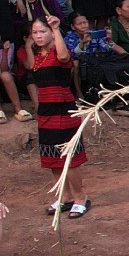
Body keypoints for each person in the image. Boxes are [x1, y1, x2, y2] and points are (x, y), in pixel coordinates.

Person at [20, 19, 90, 218]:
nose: (39, 35)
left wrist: (57, 29)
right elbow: (30, 68)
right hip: (46, 111)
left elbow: (63, 55)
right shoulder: (38, 55)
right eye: (35, 32)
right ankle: (64, 196)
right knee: (52, 158)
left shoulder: (58, 51)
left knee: (70, 158)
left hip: (64, 109)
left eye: (43, 31)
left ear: (51, 33)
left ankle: (80, 197)